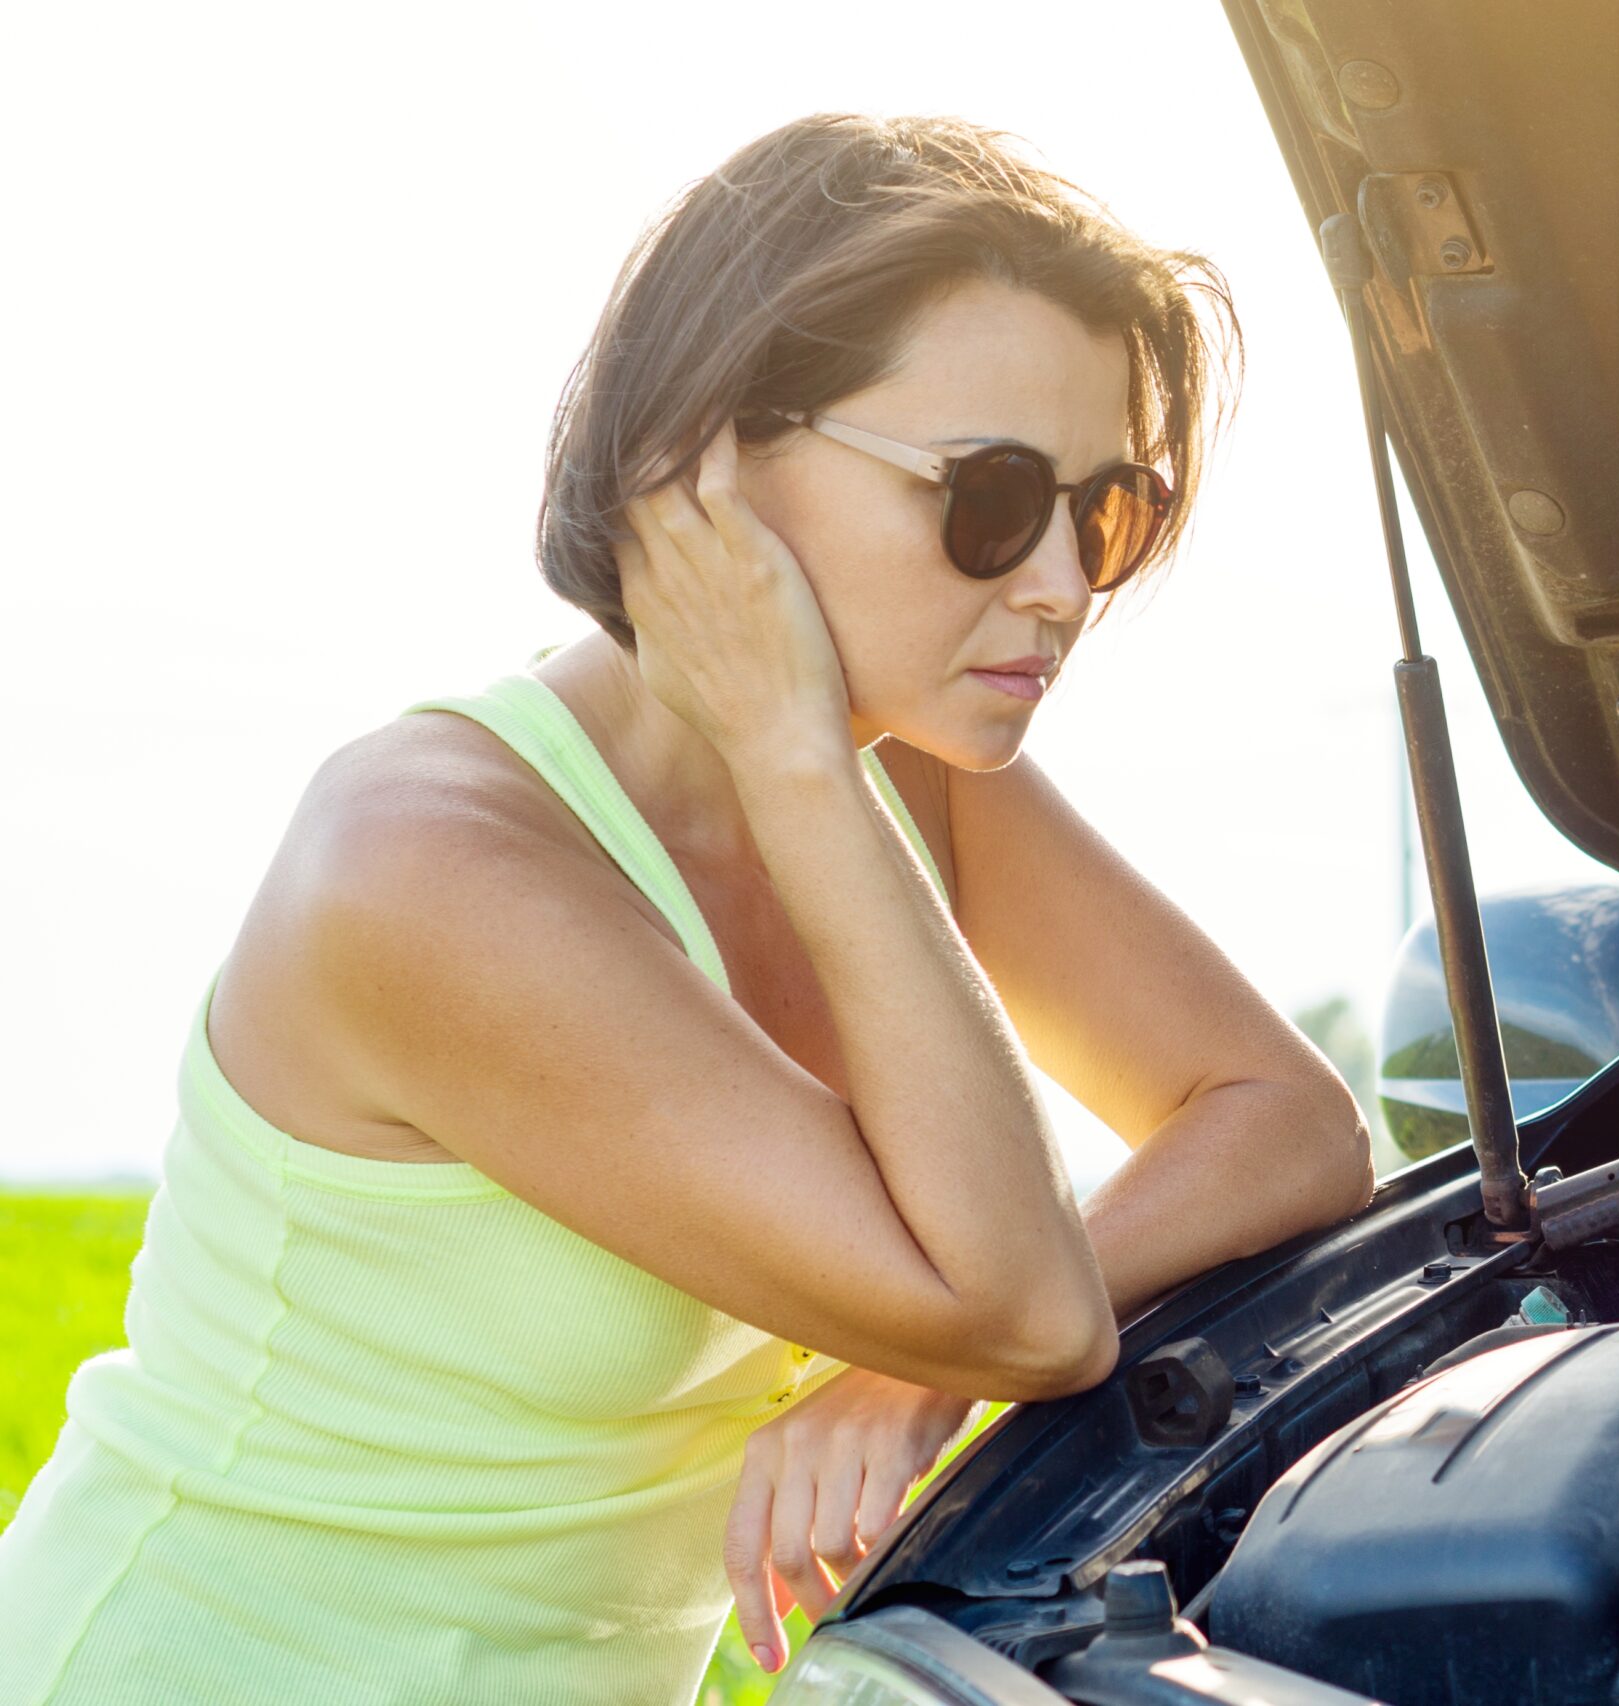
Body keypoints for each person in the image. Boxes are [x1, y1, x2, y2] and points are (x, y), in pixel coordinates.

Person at [0, 113, 1374, 1703]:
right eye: (990, 498)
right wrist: (796, 762)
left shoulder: (911, 771)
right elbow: (1023, 1309)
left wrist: (898, 1366)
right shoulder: (429, 866)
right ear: (707, 461)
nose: (1062, 581)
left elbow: (1285, 1119)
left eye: (1109, 509)